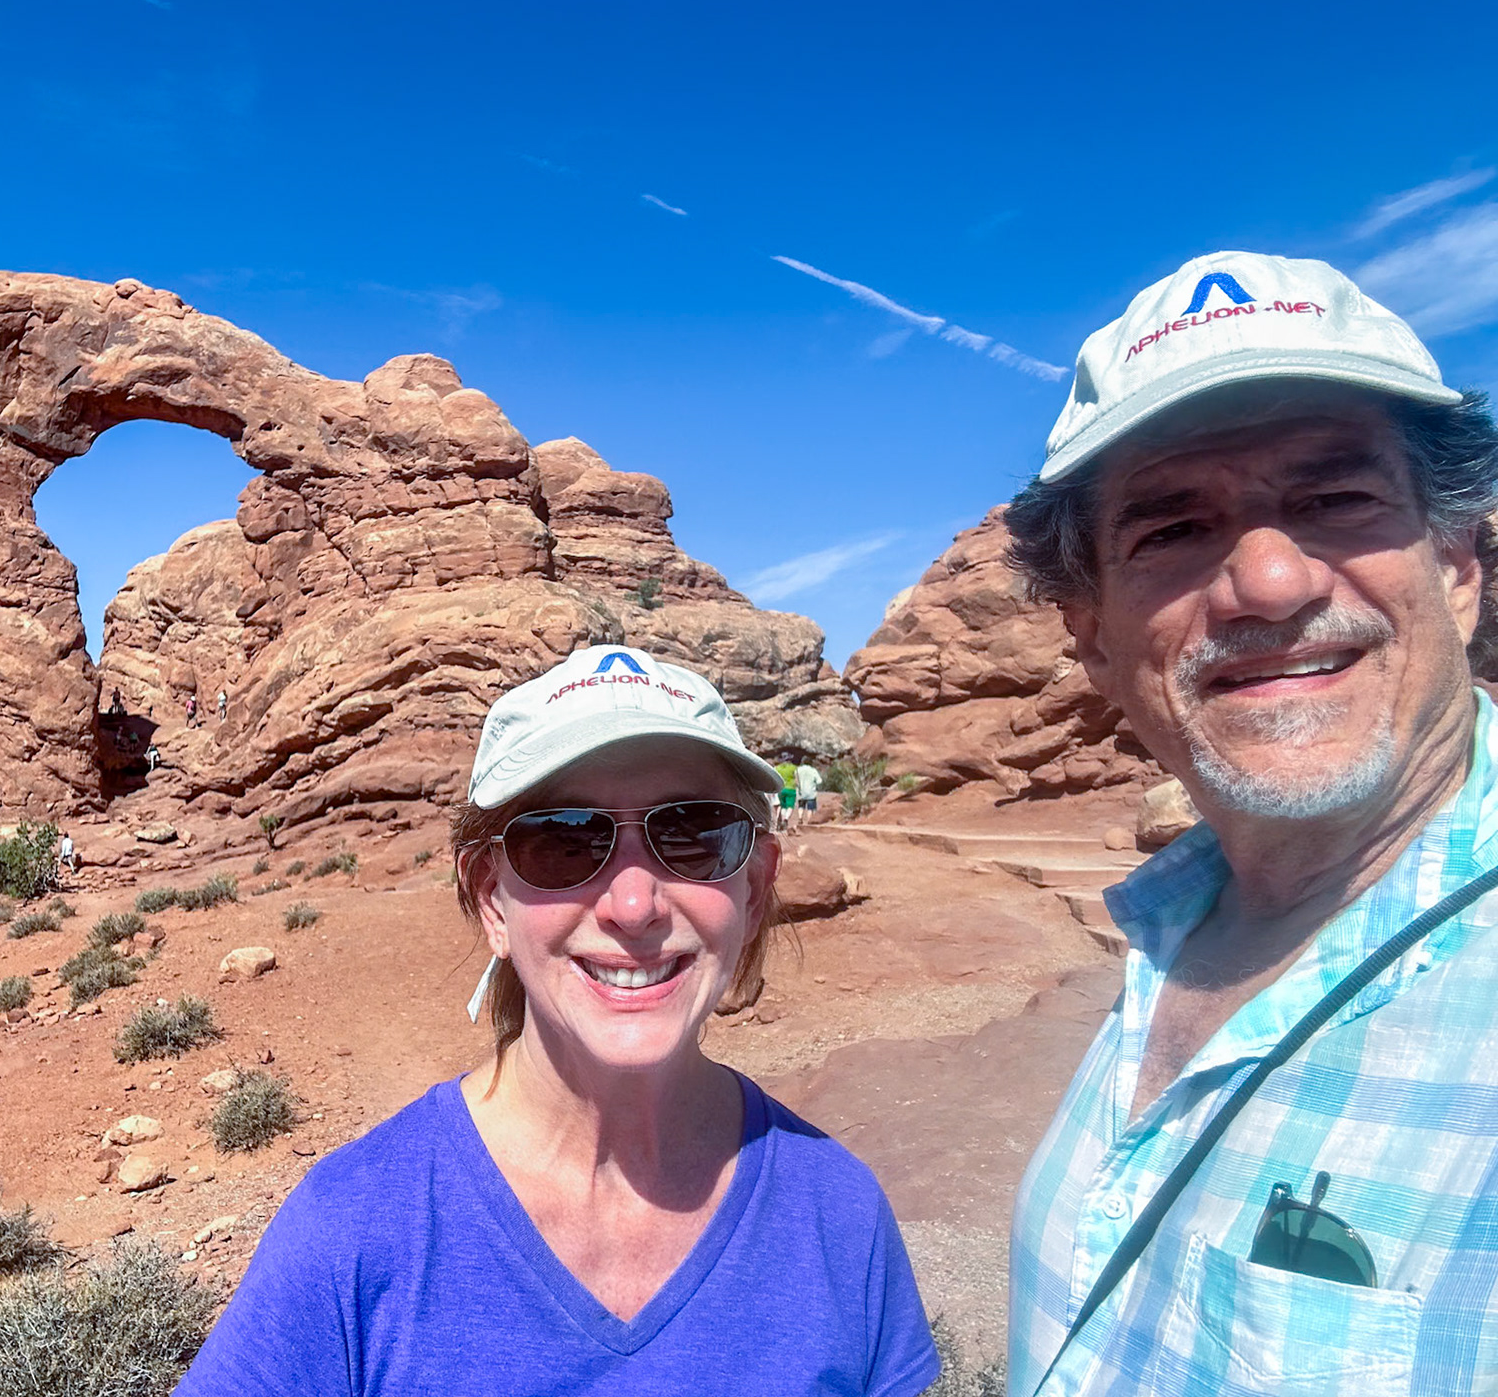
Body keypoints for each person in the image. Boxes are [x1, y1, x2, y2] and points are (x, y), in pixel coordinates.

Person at [175, 644, 937, 1396]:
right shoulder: (350, 1240)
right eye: (566, 841)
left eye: (693, 834)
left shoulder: (842, 1223)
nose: (633, 905)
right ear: (491, 901)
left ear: (756, 886)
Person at [1002, 251, 1498, 1396]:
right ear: (1093, 634)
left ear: (1458, 564)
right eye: (1172, 528)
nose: (1269, 582)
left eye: (1336, 500)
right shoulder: (1178, 928)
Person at [795, 761, 822, 829]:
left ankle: (800, 818)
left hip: (801, 792)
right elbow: (819, 781)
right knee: (810, 808)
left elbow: (796, 780)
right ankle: (809, 821)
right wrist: (814, 784)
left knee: (801, 806)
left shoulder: (798, 770)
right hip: (811, 792)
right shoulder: (813, 770)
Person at [774, 758, 798, 832]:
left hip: (781, 789)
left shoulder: (777, 768)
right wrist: (798, 787)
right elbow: (796, 779)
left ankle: (782, 821)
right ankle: (786, 819)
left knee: (783, 806)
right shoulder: (793, 767)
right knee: (790, 806)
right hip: (791, 789)